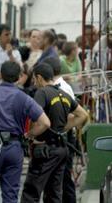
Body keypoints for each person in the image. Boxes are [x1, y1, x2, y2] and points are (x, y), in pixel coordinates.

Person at [0, 61, 51, 203]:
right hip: (15, 147)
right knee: (10, 195)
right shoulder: (25, 98)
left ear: (1, 75)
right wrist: (29, 135)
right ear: (19, 77)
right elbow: (45, 122)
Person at [21, 63, 89, 203]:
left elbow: (37, 119)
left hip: (45, 150)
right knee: (54, 193)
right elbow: (83, 115)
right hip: (61, 149)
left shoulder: (42, 93)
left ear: (39, 78)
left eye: (34, 79)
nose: (34, 83)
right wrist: (61, 129)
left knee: (31, 192)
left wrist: (31, 134)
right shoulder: (63, 94)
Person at [43, 57, 77, 203]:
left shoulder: (61, 88)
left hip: (62, 138)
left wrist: (62, 131)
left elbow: (70, 115)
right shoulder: (62, 85)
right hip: (61, 137)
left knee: (63, 178)